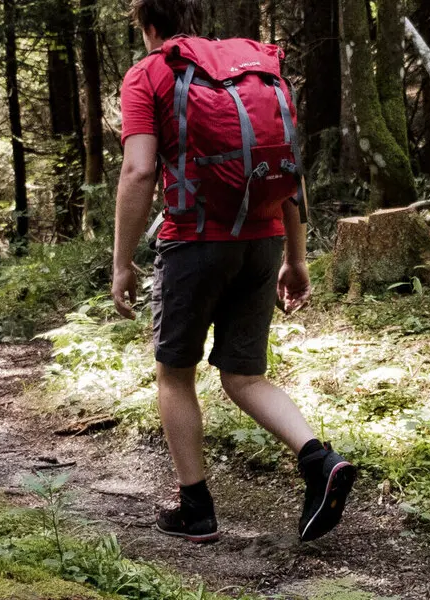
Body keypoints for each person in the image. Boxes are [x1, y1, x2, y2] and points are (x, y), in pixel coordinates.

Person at [108, 0, 357, 543]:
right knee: (244, 375)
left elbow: (139, 168)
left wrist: (122, 262)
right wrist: (296, 258)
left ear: (148, 24)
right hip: (263, 240)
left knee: (176, 373)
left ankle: (195, 508)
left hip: (194, 243)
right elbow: (284, 168)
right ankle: (320, 461)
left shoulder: (149, 73)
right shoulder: (252, 66)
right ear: (195, 16)